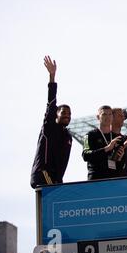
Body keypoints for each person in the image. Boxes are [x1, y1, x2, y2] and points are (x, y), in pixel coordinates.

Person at [30, 56, 72, 189]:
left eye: (69, 114)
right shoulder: (49, 126)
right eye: (63, 113)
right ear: (56, 115)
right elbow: (51, 102)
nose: (67, 116)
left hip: (56, 179)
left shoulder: (67, 136)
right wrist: (52, 77)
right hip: (43, 174)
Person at [82, 105, 125, 180]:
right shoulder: (89, 135)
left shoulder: (118, 137)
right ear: (98, 117)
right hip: (96, 178)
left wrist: (120, 159)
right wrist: (107, 148)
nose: (107, 117)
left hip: (114, 179)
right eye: (104, 114)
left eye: (110, 114)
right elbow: (85, 155)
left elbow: (121, 165)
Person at [111, 108, 127, 177]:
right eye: (120, 116)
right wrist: (126, 144)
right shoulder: (106, 137)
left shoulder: (125, 138)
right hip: (114, 179)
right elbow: (112, 159)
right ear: (111, 118)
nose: (123, 118)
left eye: (123, 116)